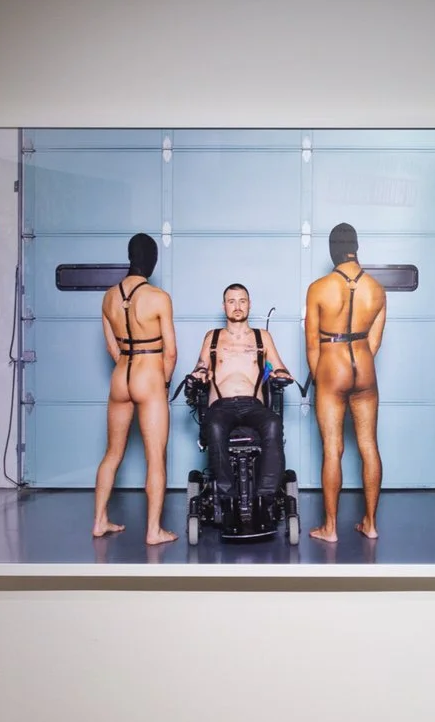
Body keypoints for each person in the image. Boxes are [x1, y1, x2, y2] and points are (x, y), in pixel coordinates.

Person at [90, 232, 178, 544]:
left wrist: (126, 362)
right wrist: (162, 385)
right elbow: (170, 352)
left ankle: (100, 520)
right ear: (152, 261)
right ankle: (154, 530)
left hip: (121, 374)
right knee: (156, 457)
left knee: (112, 453)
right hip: (149, 374)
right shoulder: (158, 297)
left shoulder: (109, 297)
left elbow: (112, 348)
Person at [305, 223, 387, 541]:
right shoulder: (377, 290)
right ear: (356, 246)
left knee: (332, 448)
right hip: (364, 368)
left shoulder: (319, 287)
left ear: (332, 250)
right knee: (368, 446)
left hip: (332, 365)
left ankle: (330, 528)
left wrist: (321, 377)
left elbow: (312, 344)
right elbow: (375, 343)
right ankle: (370, 524)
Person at [186, 283, 296, 499]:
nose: (237, 306)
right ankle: (227, 496)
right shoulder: (213, 337)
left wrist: (281, 373)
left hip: (252, 405)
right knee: (215, 426)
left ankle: (265, 496)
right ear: (224, 306)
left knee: (273, 423)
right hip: (221, 406)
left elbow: (280, 366)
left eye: (242, 301)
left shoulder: (261, 337)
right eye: (232, 301)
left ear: (249, 305)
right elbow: (200, 366)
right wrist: (198, 374)